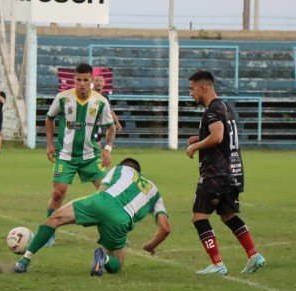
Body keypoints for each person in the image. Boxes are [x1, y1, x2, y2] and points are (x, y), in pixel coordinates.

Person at [15, 157, 171, 275]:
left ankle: (24, 260)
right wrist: (150, 246)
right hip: (121, 220)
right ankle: (104, 259)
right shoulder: (155, 191)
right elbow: (165, 228)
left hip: (101, 202)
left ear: (126, 166)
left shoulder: (119, 169)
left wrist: (88, 211)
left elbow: (101, 191)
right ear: (139, 172)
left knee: (55, 218)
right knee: (117, 264)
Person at [185, 70, 266, 275]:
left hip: (216, 173)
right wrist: (200, 137)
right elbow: (221, 134)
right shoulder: (225, 107)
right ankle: (254, 255)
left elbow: (218, 136)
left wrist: (195, 147)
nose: (191, 93)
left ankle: (217, 263)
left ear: (204, 88)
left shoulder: (211, 111)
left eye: (192, 89)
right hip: (233, 172)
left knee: (199, 217)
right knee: (228, 215)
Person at [44, 63, 115, 246]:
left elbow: (111, 126)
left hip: (91, 156)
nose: (82, 83)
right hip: (66, 155)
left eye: (86, 80)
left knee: (107, 193)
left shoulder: (100, 101)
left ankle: (114, 232)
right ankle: (49, 233)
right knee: (58, 193)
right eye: (78, 80)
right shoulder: (62, 98)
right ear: (73, 79)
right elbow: (49, 118)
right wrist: (50, 144)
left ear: (91, 80)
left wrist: (107, 149)